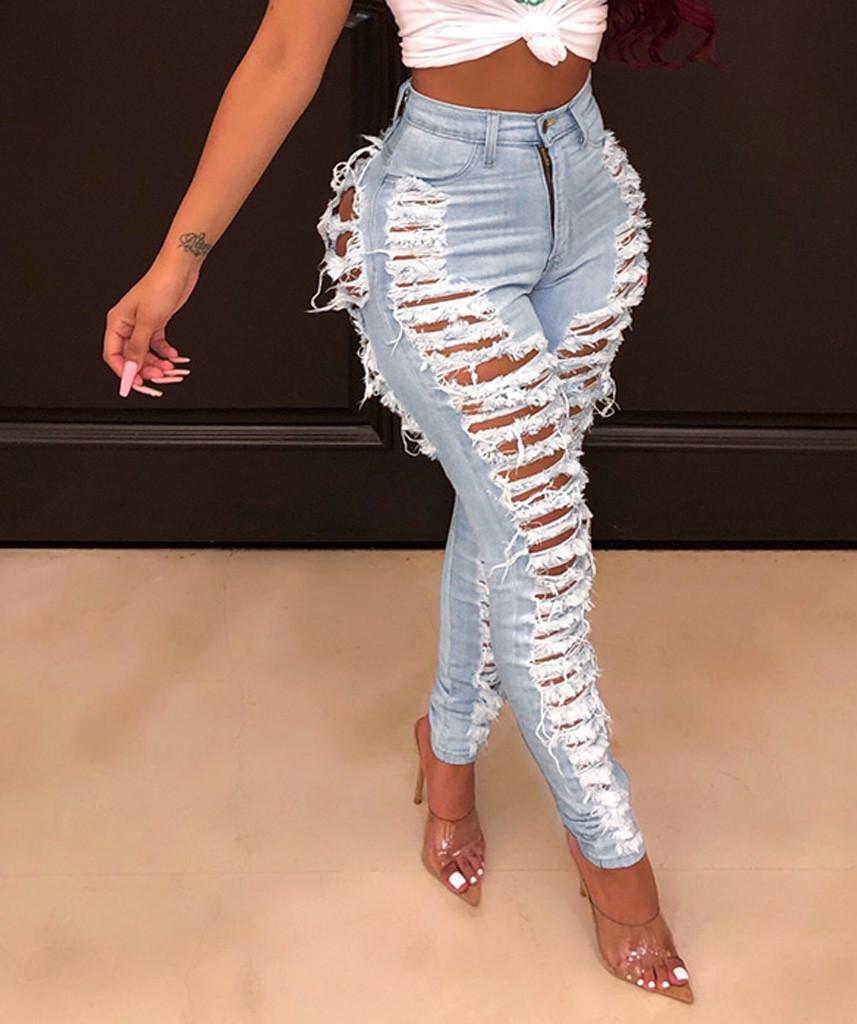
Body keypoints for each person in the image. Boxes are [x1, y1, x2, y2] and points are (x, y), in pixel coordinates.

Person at [102, 0, 717, 1004]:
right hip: (444, 221)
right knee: (544, 553)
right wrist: (178, 261)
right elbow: (282, 57)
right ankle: (616, 867)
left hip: (590, 194)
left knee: (503, 515)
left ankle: (448, 750)